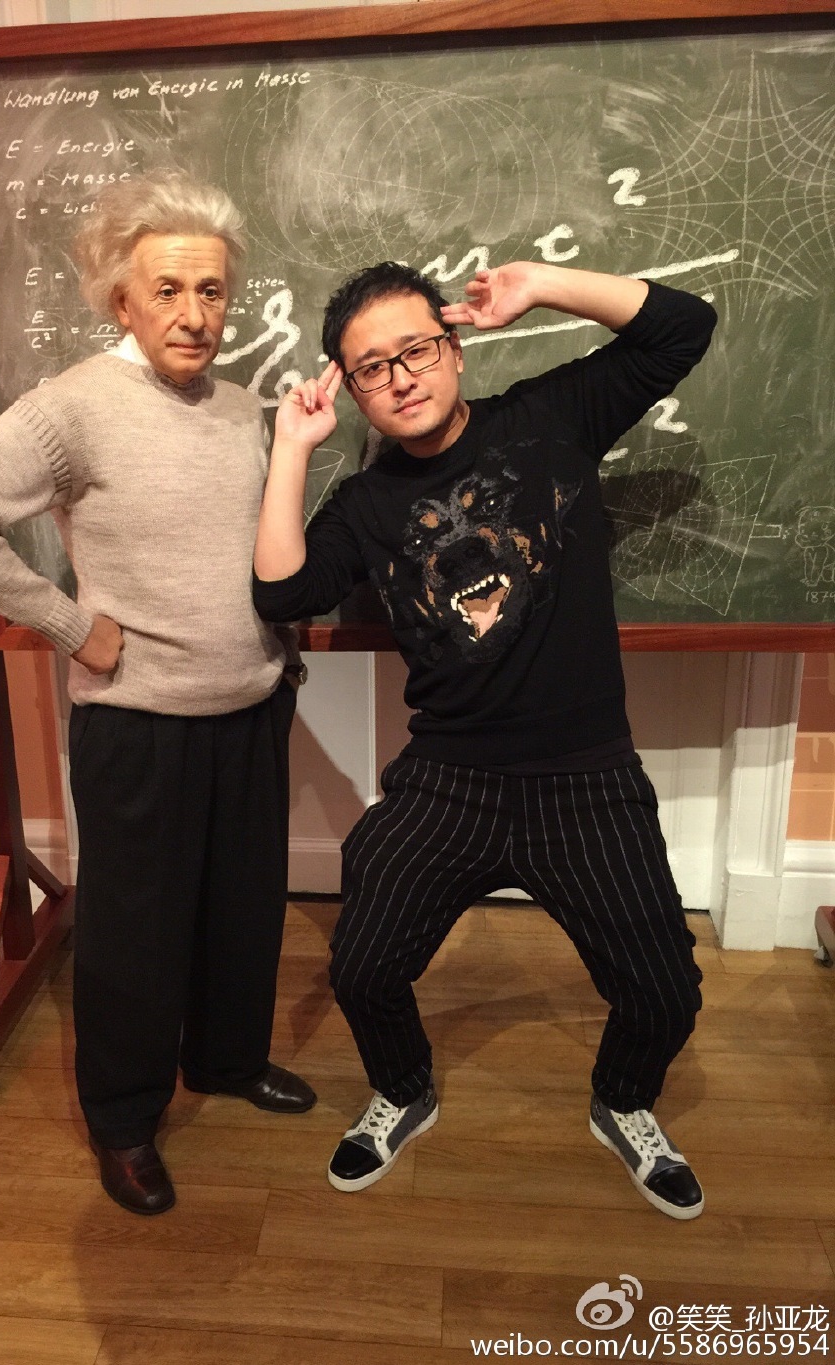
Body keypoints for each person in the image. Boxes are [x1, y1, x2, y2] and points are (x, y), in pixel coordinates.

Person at [252, 259, 716, 1220]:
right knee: (362, 967)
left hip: (585, 776)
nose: (401, 377)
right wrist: (291, 447)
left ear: (454, 347)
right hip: (448, 777)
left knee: (667, 991)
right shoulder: (367, 506)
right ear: (353, 389)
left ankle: (623, 1099)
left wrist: (540, 284)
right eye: (371, 367)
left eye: (416, 349)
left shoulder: (550, 419)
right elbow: (282, 592)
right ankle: (404, 1086)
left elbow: (684, 326)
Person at [0, 173, 315, 1217]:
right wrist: (68, 624)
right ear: (122, 299)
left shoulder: (242, 410)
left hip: (250, 709)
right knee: (135, 936)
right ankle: (124, 1120)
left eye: (212, 291)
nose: (194, 313)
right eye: (168, 290)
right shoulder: (75, 406)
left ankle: (225, 1059)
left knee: (241, 909)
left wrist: (278, 649)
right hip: (138, 724)